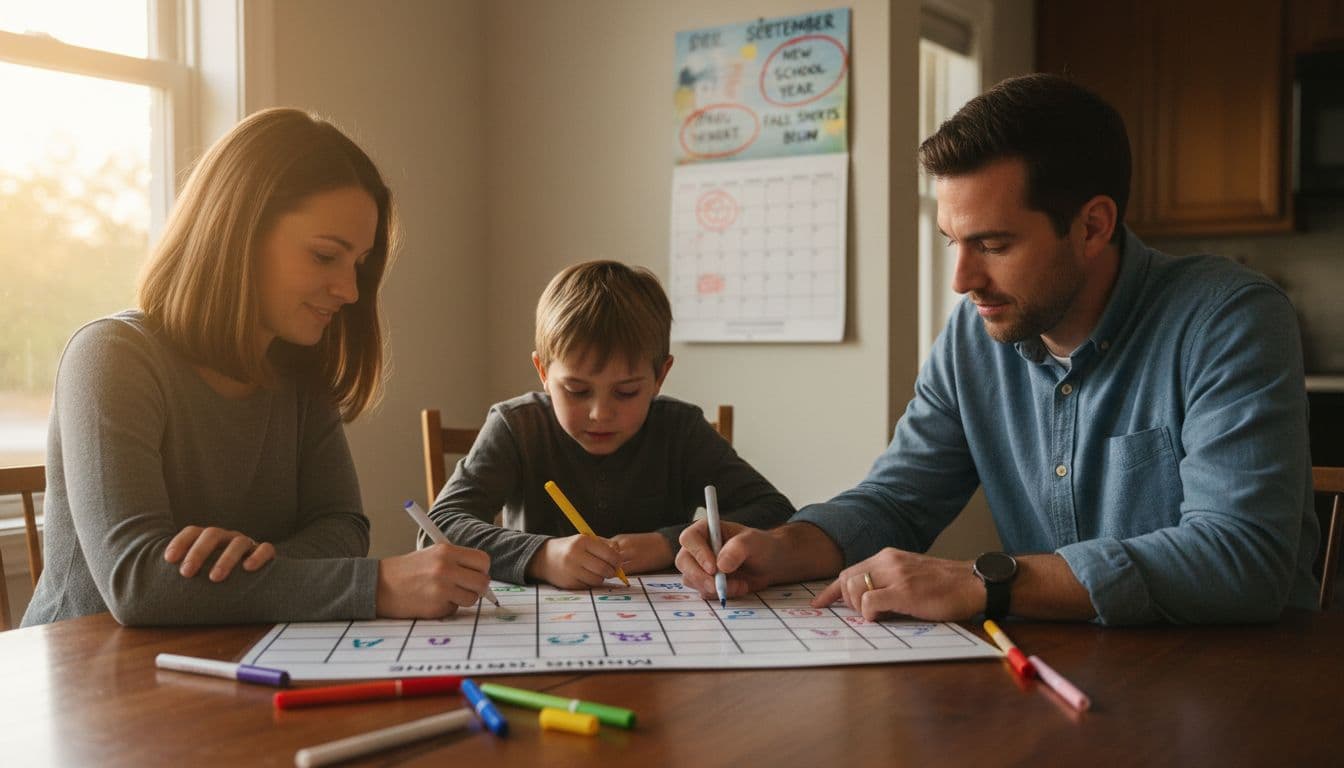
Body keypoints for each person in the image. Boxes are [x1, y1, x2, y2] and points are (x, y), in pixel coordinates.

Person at [677, 73, 1319, 626]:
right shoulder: (973, 335)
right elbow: (898, 500)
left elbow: (1242, 558)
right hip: (1057, 679)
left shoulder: (1228, 318)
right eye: (952, 240)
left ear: (1092, 226)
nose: (961, 280)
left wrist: (987, 581)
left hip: (1239, 680)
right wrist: (788, 545)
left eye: (993, 244)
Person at [22, 108, 491, 627]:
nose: (351, 291)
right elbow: (138, 582)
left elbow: (344, 528)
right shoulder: (110, 355)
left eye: (357, 264)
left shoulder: (299, 375)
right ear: (237, 233)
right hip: (81, 678)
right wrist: (376, 585)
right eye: (323, 256)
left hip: (220, 653)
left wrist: (245, 568)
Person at [422, 260, 794, 588]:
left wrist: (667, 543)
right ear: (543, 373)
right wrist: (540, 555)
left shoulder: (680, 430)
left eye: (627, 392)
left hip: (667, 627)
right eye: (577, 390)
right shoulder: (517, 426)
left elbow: (774, 511)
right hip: (538, 628)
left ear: (660, 376)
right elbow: (438, 527)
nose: (600, 413)